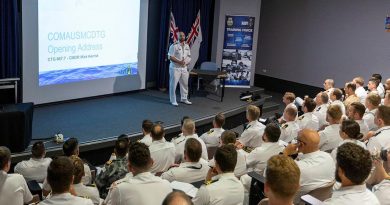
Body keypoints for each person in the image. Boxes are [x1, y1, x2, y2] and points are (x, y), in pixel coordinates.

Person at [283, 129, 335, 195]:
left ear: (301, 144)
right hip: (320, 199)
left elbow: (270, 173)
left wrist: (285, 153)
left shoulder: (297, 168)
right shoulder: (328, 157)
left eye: (297, 140)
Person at [240, 123, 284, 197]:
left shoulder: (259, 151)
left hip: (257, 180)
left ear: (265, 135)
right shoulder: (283, 148)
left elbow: (246, 163)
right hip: (274, 181)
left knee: (242, 176)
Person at [168, 31, 192, 106]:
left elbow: (189, 56)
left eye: (183, 35)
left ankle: (184, 98)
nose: (182, 37)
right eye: (180, 36)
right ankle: (173, 100)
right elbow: (170, 57)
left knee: (185, 84)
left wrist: (186, 62)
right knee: (173, 84)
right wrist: (179, 62)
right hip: (175, 68)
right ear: (178, 37)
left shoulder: (187, 46)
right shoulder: (174, 45)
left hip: (184, 68)